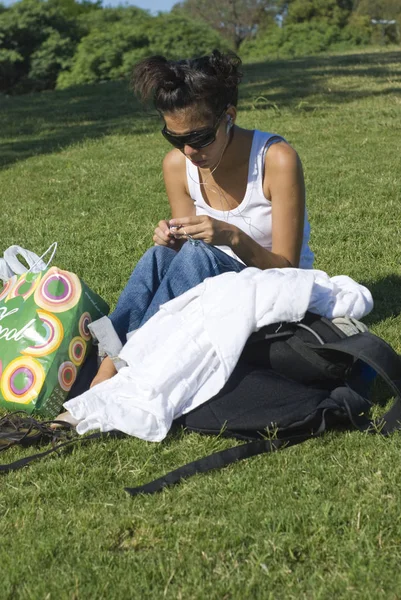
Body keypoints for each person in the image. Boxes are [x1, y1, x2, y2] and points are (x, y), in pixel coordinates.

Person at [71, 49, 315, 403]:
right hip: (208, 294)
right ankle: (111, 364)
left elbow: (289, 269)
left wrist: (231, 236)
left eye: (199, 138)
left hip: (275, 293)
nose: (188, 151)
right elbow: (184, 257)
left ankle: (122, 368)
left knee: (201, 256)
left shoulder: (275, 159)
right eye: (175, 139)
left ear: (228, 116)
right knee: (159, 258)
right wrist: (173, 243)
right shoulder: (177, 166)